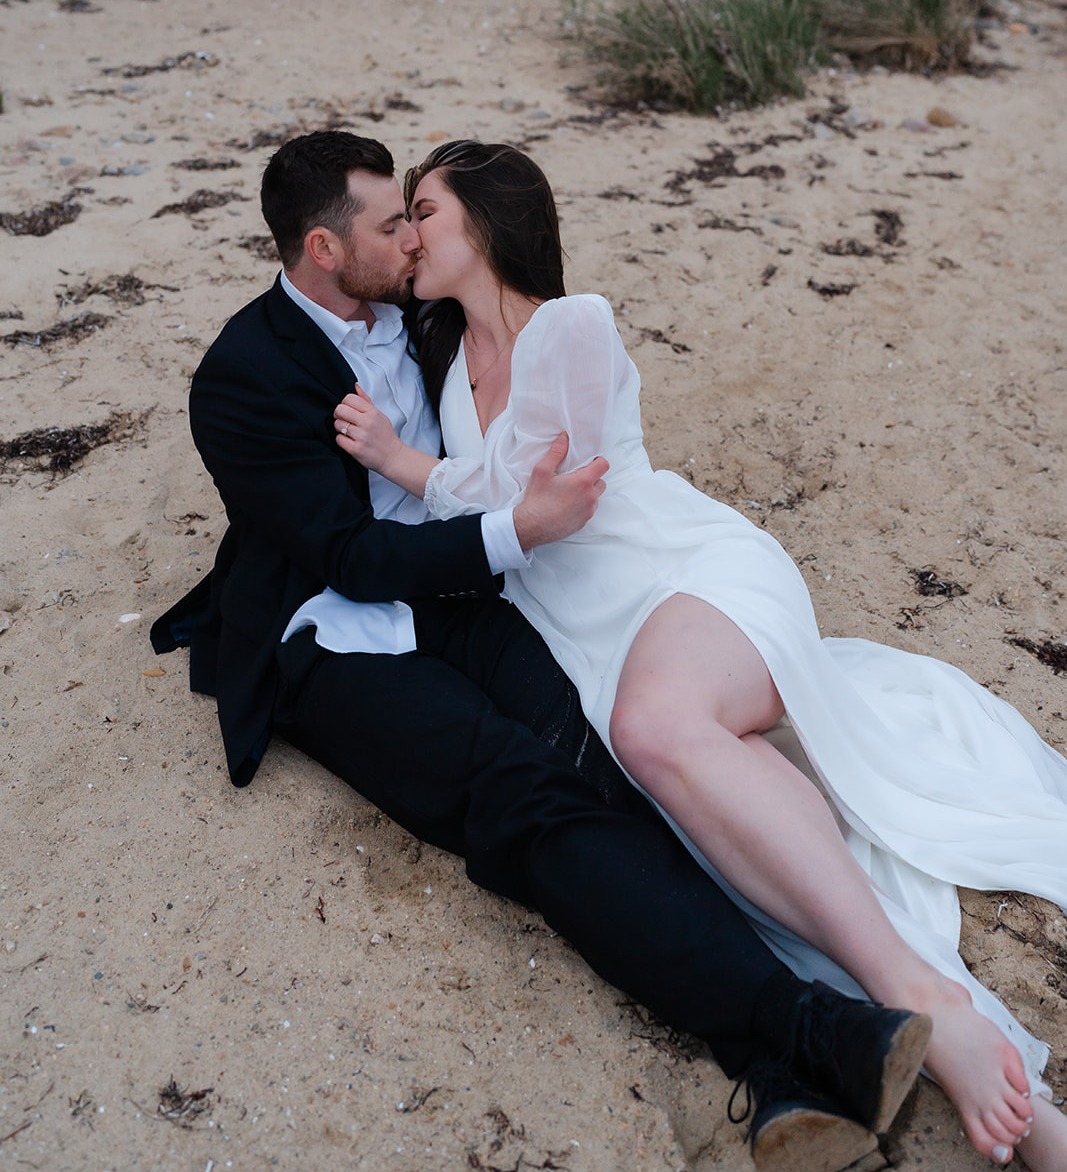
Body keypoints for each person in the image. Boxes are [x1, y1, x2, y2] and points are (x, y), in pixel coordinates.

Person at [151, 129, 933, 1172]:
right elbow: (347, 552)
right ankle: (796, 1033)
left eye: (414, 216)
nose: (409, 237)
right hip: (330, 633)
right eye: (390, 224)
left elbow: (515, 358)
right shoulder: (239, 378)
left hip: (467, 592)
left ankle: (789, 1050)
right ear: (323, 250)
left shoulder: (421, 310)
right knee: (516, 793)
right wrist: (519, 529)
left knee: (608, 764)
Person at [333, 138, 1067, 1171]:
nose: (409, 233)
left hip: (682, 575)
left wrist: (407, 463)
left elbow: (549, 501)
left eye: (426, 211)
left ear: (488, 223)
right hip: (589, 633)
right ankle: (1020, 1102)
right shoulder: (445, 360)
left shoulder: (569, 327)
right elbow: (495, 499)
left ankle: (917, 997)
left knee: (655, 728)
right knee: (723, 856)